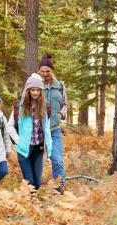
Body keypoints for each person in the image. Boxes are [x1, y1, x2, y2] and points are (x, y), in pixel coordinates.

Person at [8, 73, 52, 190]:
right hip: (23, 149)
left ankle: (32, 203)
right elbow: (10, 126)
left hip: (38, 148)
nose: (35, 92)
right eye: (33, 90)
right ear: (28, 90)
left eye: (38, 90)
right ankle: (30, 205)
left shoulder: (44, 106)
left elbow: (46, 127)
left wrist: (49, 144)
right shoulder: (20, 106)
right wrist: (18, 140)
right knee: (30, 182)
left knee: (37, 183)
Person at [39, 54, 68, 194]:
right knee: (35, 159)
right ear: (39, 71)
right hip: (38, 129)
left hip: (55, 128)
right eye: (42, 71)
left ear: (52, 71)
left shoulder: (60, 85)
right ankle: (34, 186)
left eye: (48, 71)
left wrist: (61, 114)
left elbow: (65, 104)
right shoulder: (35, 84)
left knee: (56, 157)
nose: (45, 74)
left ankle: (60, 186)